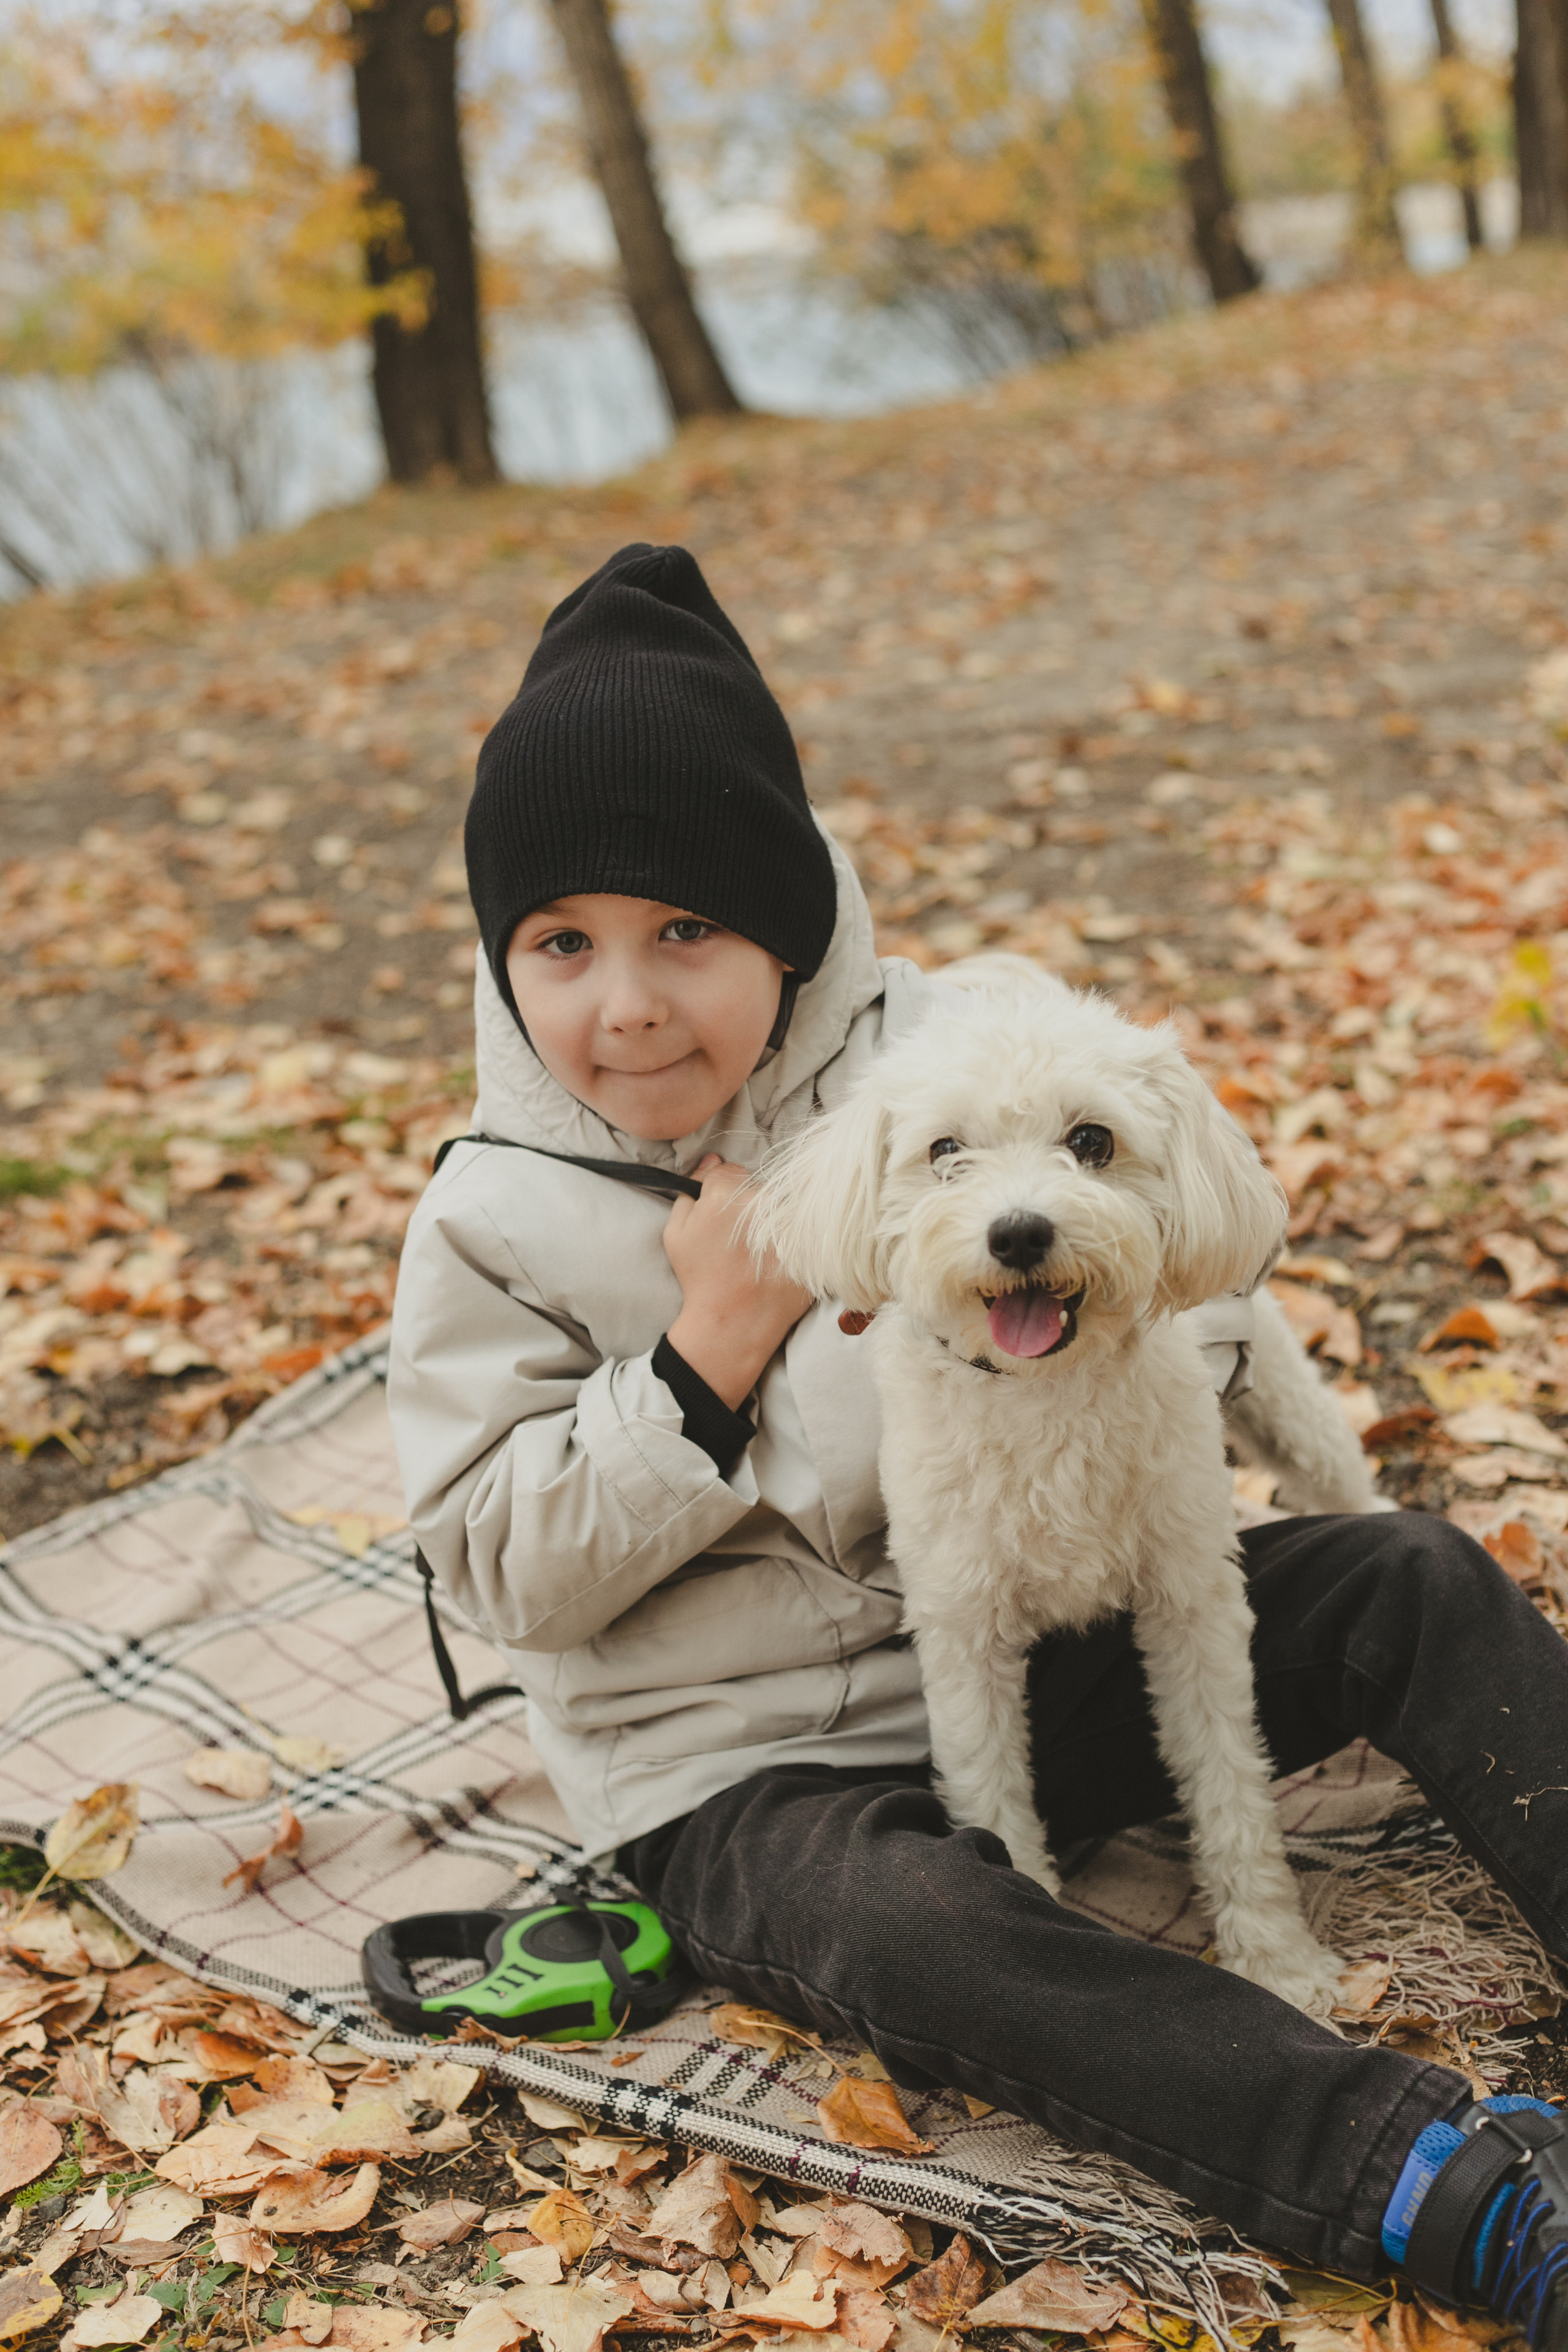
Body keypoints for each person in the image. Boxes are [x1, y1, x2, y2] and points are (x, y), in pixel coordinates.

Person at [388, 543, 1568, 2350]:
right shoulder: (488, 1221)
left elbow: (1161, 1211)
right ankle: (1443, 2192)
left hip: (1057, 1641)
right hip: (747, 1772)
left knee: (1408, 1569)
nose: (625, 1004)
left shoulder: (961, 1054)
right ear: (504, 959)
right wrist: (708, 1344)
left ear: (788, 917)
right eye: (563, 944)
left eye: (685, 931)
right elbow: (492, 1575)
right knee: (928, 1919)